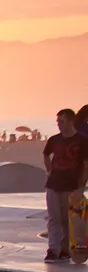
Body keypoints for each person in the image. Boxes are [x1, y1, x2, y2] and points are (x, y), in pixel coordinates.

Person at [42, 108, 88, 263]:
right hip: (53, 184)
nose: (59, 125)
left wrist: (81, 186)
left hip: (71, 186)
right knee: (54, 218)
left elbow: (86, 165)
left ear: (71, 121)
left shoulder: (82, 140)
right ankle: (53, 250)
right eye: (57, 122)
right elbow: (45, 154)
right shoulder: (54, 140)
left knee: (67, 220)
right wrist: (49, 170)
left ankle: (65, 250)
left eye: (61, 121)